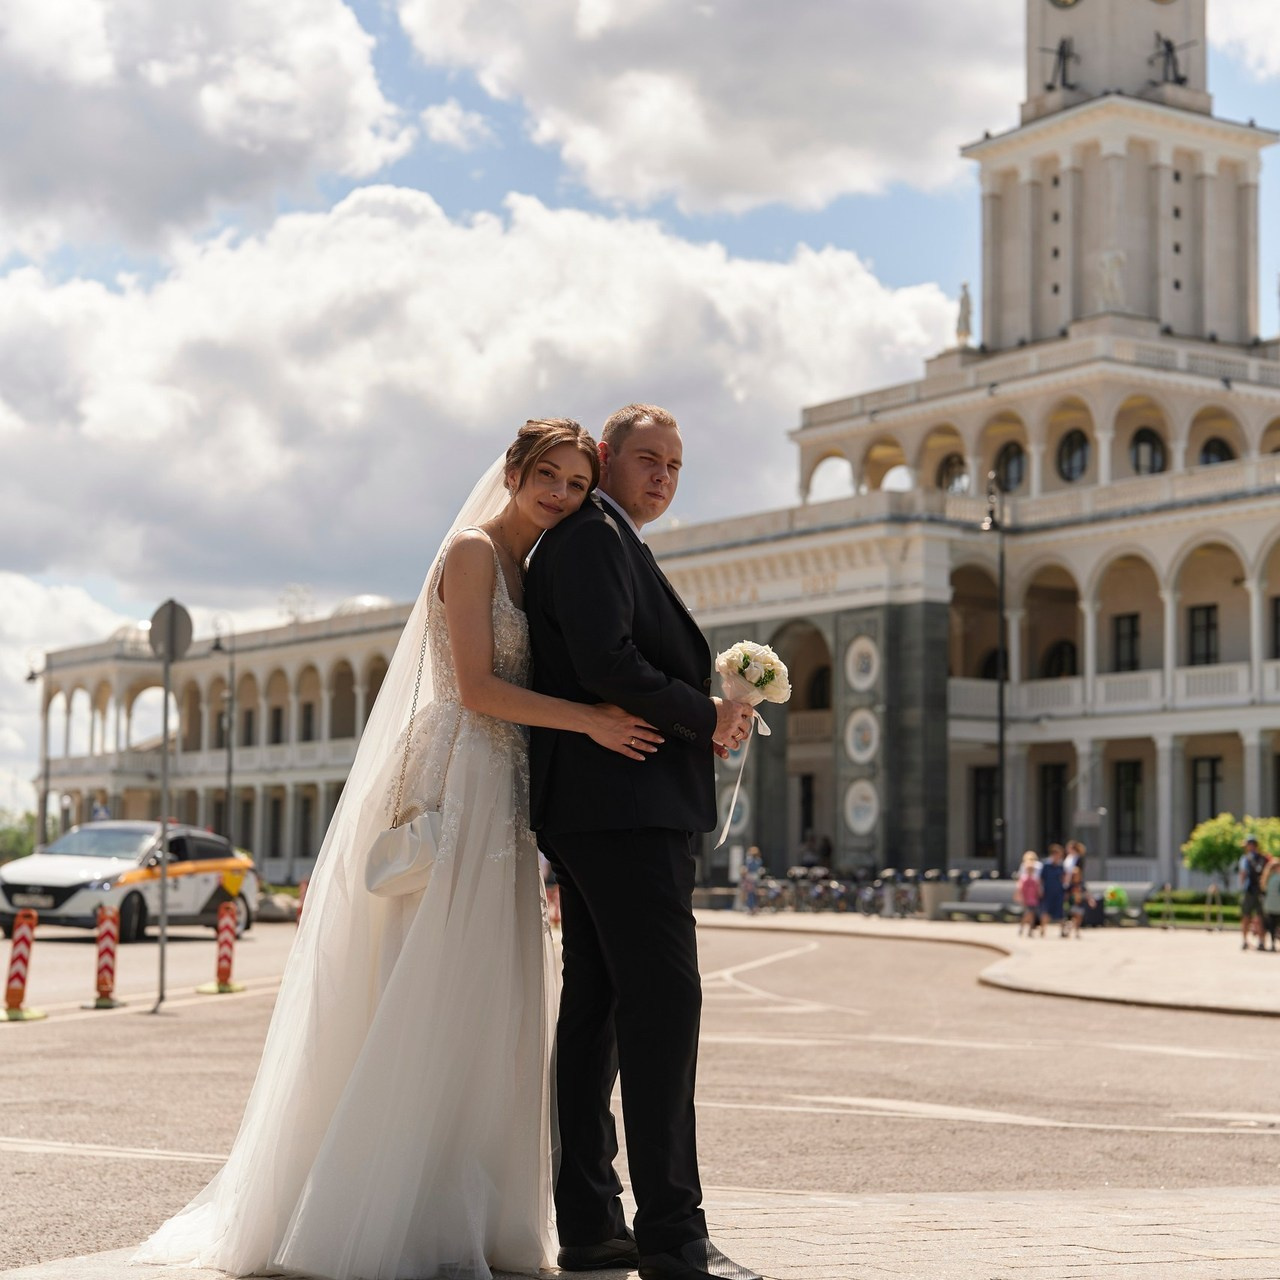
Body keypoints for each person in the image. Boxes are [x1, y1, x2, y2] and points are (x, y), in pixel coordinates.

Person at [135, 419, 664, 1280]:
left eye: (576, 483)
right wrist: (590, 719)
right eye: (549, 479)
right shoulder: (471, 553)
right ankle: (386, 1211)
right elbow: (480, 686)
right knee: (434, 984)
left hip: (507, 799)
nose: (563, 496)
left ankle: (472, 1207)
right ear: (514, 472)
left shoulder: (536, 566)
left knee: (492, 994)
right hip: (464, 783)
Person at [525, 403, 760, 1280]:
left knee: (596, 1015)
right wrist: (705, 712)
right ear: (606, 458)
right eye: (647, 459)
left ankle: (590, 1223)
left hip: (600, 810)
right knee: (663, 1012)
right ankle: (674, 1236)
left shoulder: (605, 537)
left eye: (675, 466)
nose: (662, 476)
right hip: (625, 810)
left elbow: (614, 661)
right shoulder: (593, 537)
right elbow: (607, 663)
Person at [1239, 835, 1268, 952]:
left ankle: (1245, 941)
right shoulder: (1263, 858)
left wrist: (1241, 888)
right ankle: (1261, 941)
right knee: (1261, 916)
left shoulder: (1245, 859)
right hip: (1261, 891)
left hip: (1249, 890)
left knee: (1246, 916)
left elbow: (1243, 874)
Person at [1039, 842, 1067, 936]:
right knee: (1045, 911)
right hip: (1048, 891)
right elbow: (1041, 879)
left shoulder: (1060, 866)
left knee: (1060, 912)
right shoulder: (1046, 865)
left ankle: (1063, 931)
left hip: (1058, 892)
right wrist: (1040, 889)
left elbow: (1063, 878)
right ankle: (1043, 930)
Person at [1015, 849, 1042, 937]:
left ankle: (1030, 929)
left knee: (1032, 914)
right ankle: (1023, 926)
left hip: (1033, 898)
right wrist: (1020, 896)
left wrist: (1039, 894)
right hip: (1026, 898)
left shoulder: (1035, 878)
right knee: (1028, 913)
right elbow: (1020, 887)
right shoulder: (1024, 878)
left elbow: (1038, 887)